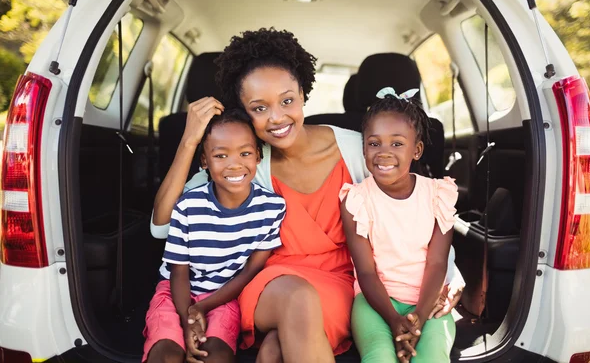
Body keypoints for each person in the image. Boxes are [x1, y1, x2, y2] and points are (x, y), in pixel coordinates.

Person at [151, 28, 464, 363]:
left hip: (342, 283)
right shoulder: (246, 162)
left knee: (275, 348)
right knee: (297, 299)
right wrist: (189, 141)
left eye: (287, 101)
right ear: (243, 111)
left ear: (303, 94)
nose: (277, 117)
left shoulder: (356, 148)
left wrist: (451, 279)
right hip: (268, 283)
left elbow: (415, 215)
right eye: (259, 108)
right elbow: (163, 226)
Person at [143, 109, 286, 363]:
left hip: (224, 296)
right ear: (204, 162)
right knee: (166, 356)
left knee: (216, 357)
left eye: (245, 153)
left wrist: (203, 308)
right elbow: (178, 273)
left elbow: (248, 273)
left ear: (258, 156)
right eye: (221, 155)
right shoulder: (187, 206)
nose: (234, 164)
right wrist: (188, 320)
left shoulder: (272, 208)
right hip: (174, 293)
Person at [340, 87, 458, 363]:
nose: (384, 153)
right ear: (364, 148)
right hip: (375, 304)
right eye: (374, 143)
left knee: (432, 357)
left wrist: (417, 320)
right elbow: (366, 272)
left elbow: (437, 263)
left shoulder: (438, 194)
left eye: (396, 144)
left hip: (430, 302)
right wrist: (394, 320)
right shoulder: (356, 200)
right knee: (379, 356)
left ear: (416, 150)